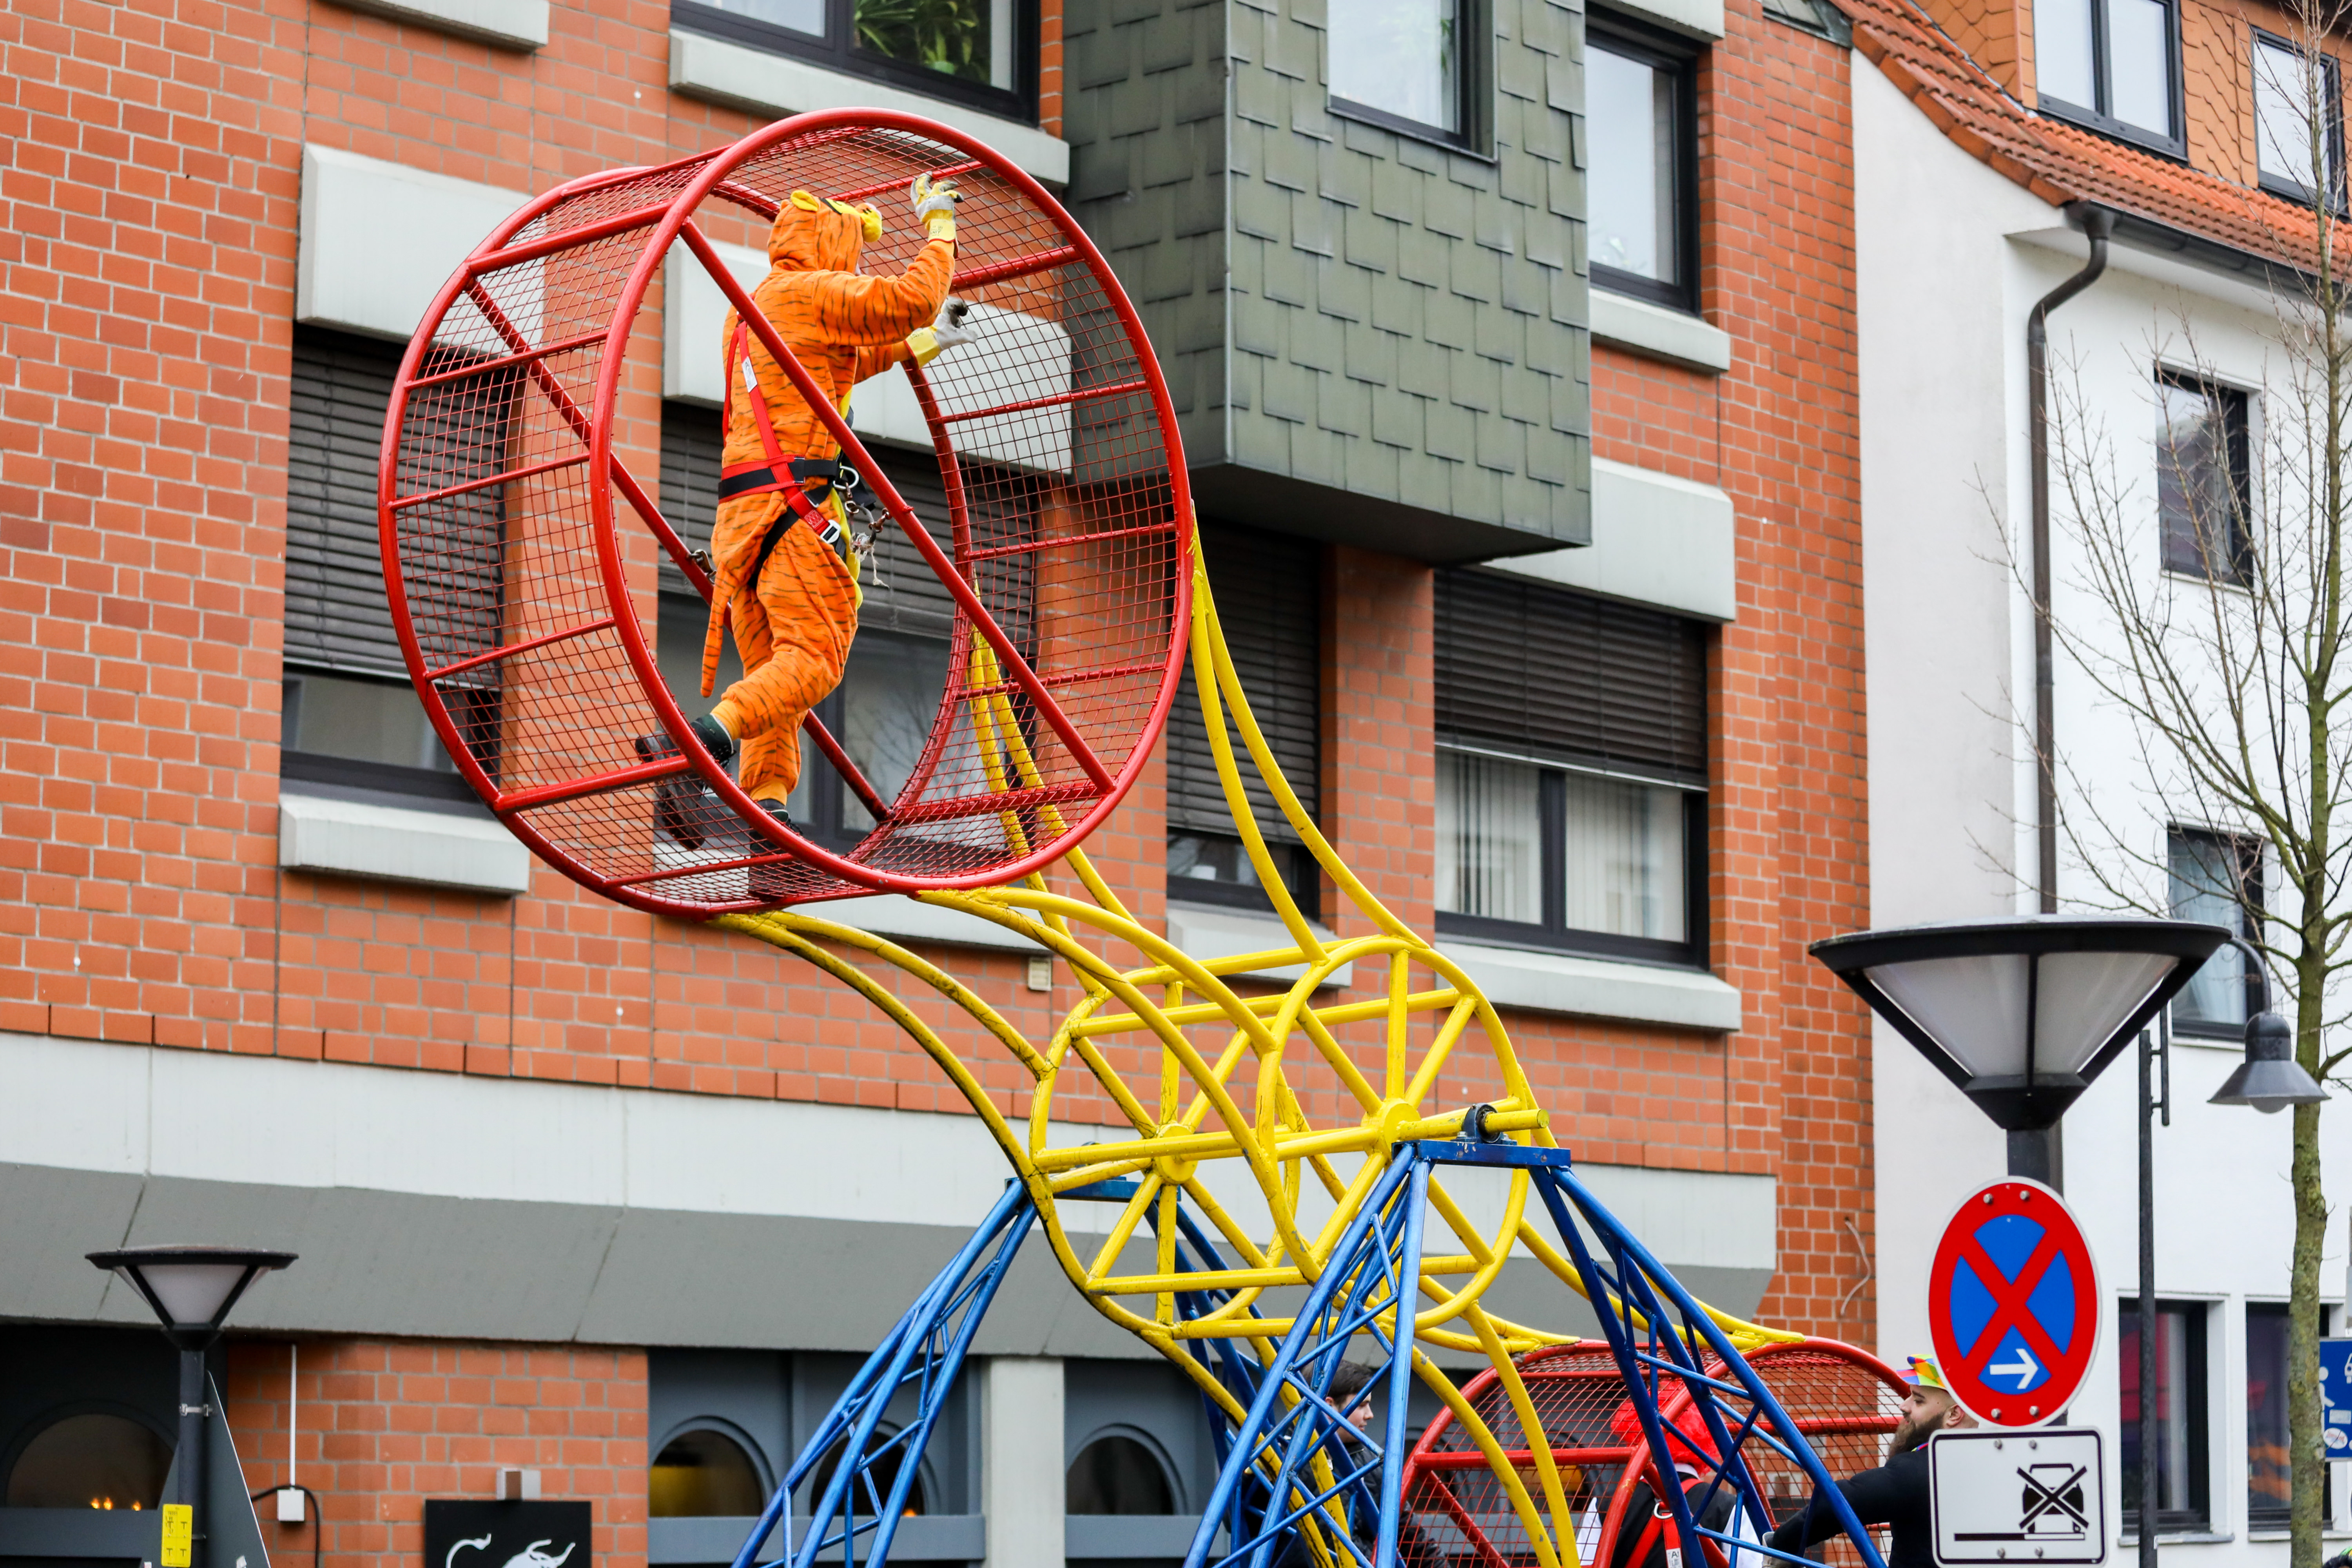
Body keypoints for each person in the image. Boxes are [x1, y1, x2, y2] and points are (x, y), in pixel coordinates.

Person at [639, 170, 975, 844]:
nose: (854, 265)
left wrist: (929, 340)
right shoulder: (812, 291)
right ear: (832, 244)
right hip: (794, 511)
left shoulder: (757, 307)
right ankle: (700, 743)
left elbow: (840, 363)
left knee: (778, 675)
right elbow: (909, 298)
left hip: (745, 518)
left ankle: (768, 819)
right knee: (816, 658)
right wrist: (939, 227)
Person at [1765, 1356, 1975, 1568]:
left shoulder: (1918, 1471)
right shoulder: (1989, 1467)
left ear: (1954, 1414)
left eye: (1919, 1401)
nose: (1904, 1406)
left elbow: (1838, 1502)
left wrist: (1781, 1544)